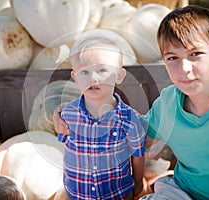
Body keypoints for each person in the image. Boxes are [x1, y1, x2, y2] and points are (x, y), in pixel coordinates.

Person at [54, 5, 209, 200]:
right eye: (173, 57)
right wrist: (69, 114)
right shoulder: (168, 103)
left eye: (195, 54)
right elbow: (130, 133)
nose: (184, 68)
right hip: (182, 194)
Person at [57, 36, 146, 200]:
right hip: (76, 194)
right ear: (75, 77)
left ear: (119, 76)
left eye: (102, 70)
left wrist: (138, 182)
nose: (93, 78)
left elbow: (137, 155)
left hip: (117, 194)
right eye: (84, 72)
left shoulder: (130, 119)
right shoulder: (68, 115)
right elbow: (67, 150)